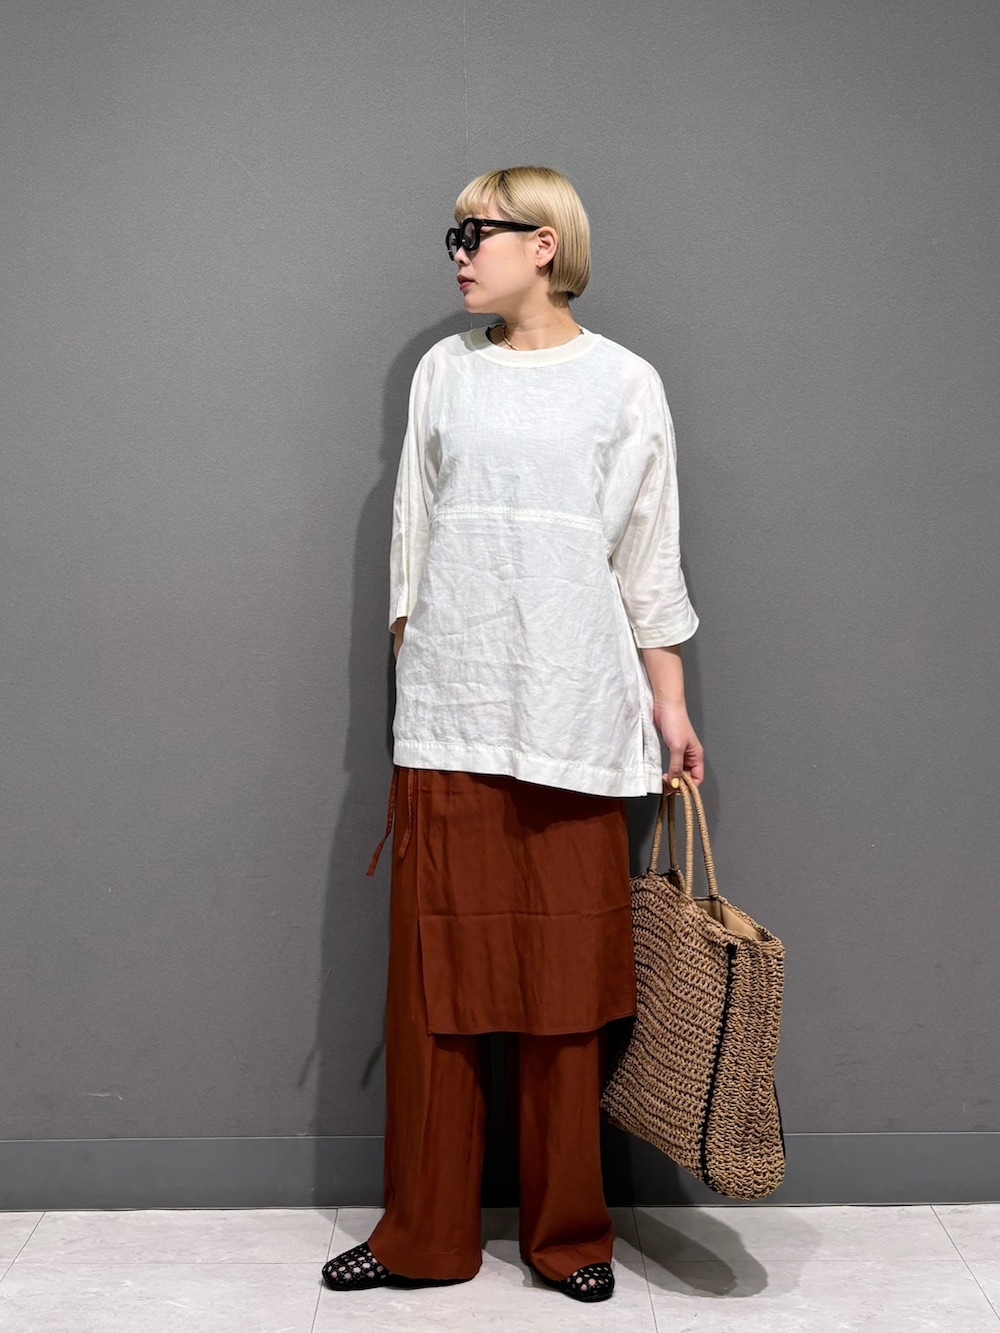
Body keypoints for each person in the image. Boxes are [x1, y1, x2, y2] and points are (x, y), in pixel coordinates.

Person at [321, 166, 703, 1304]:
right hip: (453, 716)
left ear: (544, 243)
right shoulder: (445, 371)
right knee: (435, 989)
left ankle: (569, 1237)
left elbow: (647, 550)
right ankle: (420, 1237)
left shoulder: (624, 381)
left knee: (563, 987)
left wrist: (670, 701)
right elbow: (414, 533)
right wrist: (420, 650)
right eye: (452, 233)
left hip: (574, 718)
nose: (456, 252)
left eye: (475, 232)